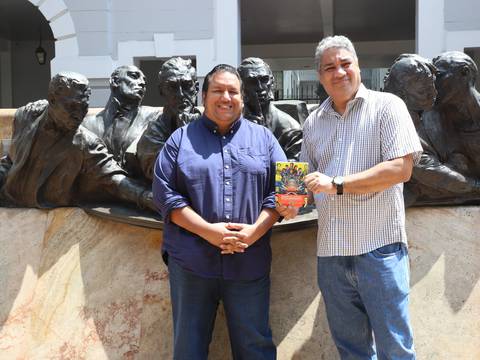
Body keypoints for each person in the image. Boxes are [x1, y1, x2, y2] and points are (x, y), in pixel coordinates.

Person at [278, 36, 422, 359]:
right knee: (352, 352)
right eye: (330, 67)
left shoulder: (388, 106)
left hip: (380, 251)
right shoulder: (313, 123)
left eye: (346, 64)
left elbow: (401, 169)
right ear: (320, 76)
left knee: (395, 349)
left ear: (359, 67)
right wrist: (291, 203)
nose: (339, 72)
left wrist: (338, 184)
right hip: (331, 257)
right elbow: (310, 185)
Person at [153, 64, 286, 359]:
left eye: (233, 91)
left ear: (242, 97)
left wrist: (255, 232)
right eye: (218, 90)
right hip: (191, 263)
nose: (226, 97)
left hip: (248, 261)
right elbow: (165, 195)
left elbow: (289, 191)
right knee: (189, 348)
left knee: (256, 347)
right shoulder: (179, 141)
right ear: (203, 96)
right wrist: (208, 231)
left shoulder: (264, 139)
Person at [0, 72, 154, 210]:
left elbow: (114, 180)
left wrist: (145, 197)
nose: (79, 115)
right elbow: (13, 160)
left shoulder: (86, 143)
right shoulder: (26, 116)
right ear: (52, 101)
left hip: (45, 214)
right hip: (8, 201)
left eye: (84, 107)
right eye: (72, 106)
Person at [384, 54, 480, 206]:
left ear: (464, 73)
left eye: (439, 76)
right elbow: (424, 166)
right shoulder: (425, 114)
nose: (434, 87)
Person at [82, 65, 159, 176]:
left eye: (144, 81)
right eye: (134, 76)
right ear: (114, 81)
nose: (142, 83)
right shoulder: (87, 125)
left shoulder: (154, 118)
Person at [137, 57, 201, 181]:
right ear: (161, 91)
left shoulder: (211, 125)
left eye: (187, 85)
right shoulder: (153, 134)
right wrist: (184, 135)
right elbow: (167, 176)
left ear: (196, 88)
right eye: (172, 87)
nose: (181, 94)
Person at [238, 57, 302, 160]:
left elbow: (292, 175)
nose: (259, 87)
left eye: (264, 80)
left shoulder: (290, 129)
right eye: (251, 81)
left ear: (272, 82)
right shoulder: (228, 124)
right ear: (240, 86)